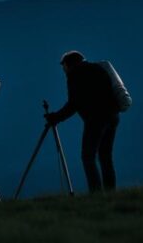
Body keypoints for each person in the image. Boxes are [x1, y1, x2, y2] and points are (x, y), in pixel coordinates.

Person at [46, 50, 121, 193]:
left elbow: (73, 104)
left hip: (96, 120)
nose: (64, 71)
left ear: (69, 65)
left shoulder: (75, 76)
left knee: (88, 157)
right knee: (105, 156)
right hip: (112, 116)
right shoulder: (99, 69)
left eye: (64, 67)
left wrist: (55, 117)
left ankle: (96, 193)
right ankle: (111, 192)